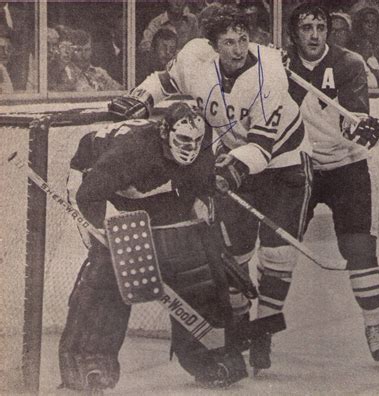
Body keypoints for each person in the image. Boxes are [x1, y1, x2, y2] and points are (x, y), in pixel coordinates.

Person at [109, 4, 312, 374]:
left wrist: (231, 171)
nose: (238, 50)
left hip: (284, 165)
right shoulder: (195, 60)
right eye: (229, 42)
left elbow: (263, 147)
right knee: (234, 256)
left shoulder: (270, 75)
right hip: (235, 157)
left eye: (243, 40)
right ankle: (239, 325)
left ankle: (263, 329)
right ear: (212, 45)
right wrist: (139, 97)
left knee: (278, 255)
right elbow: (163, 80)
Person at [59, 100, 248, 392]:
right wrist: (112, 233)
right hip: (99, 185)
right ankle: (89, 363)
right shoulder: (132, 151)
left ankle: (208, 356)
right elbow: (89, 196)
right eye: (183, 139)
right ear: (164, 131)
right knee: (109, 272)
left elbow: (201, 191)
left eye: (197, 141)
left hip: (156, 188)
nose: (190, 147)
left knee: (197, 267)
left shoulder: (204, 149)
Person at [286, 2, 379, 365]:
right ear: (294, 33)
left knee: (360, 249)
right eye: (306, 28)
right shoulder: (278, 66)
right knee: (278, 250)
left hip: (347, 166)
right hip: (300, 167)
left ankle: (374, 326)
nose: (314, 35)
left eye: (320, 27)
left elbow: (355, 116)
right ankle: (261, 333)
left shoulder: (349, 63)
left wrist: (362, 129)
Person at [56, 29, 123, 92]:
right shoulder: (66, 74)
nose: (84, 55)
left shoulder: (99, 73)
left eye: (87, 50)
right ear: (70, 51)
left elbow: (121, 91)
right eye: (79, 50)